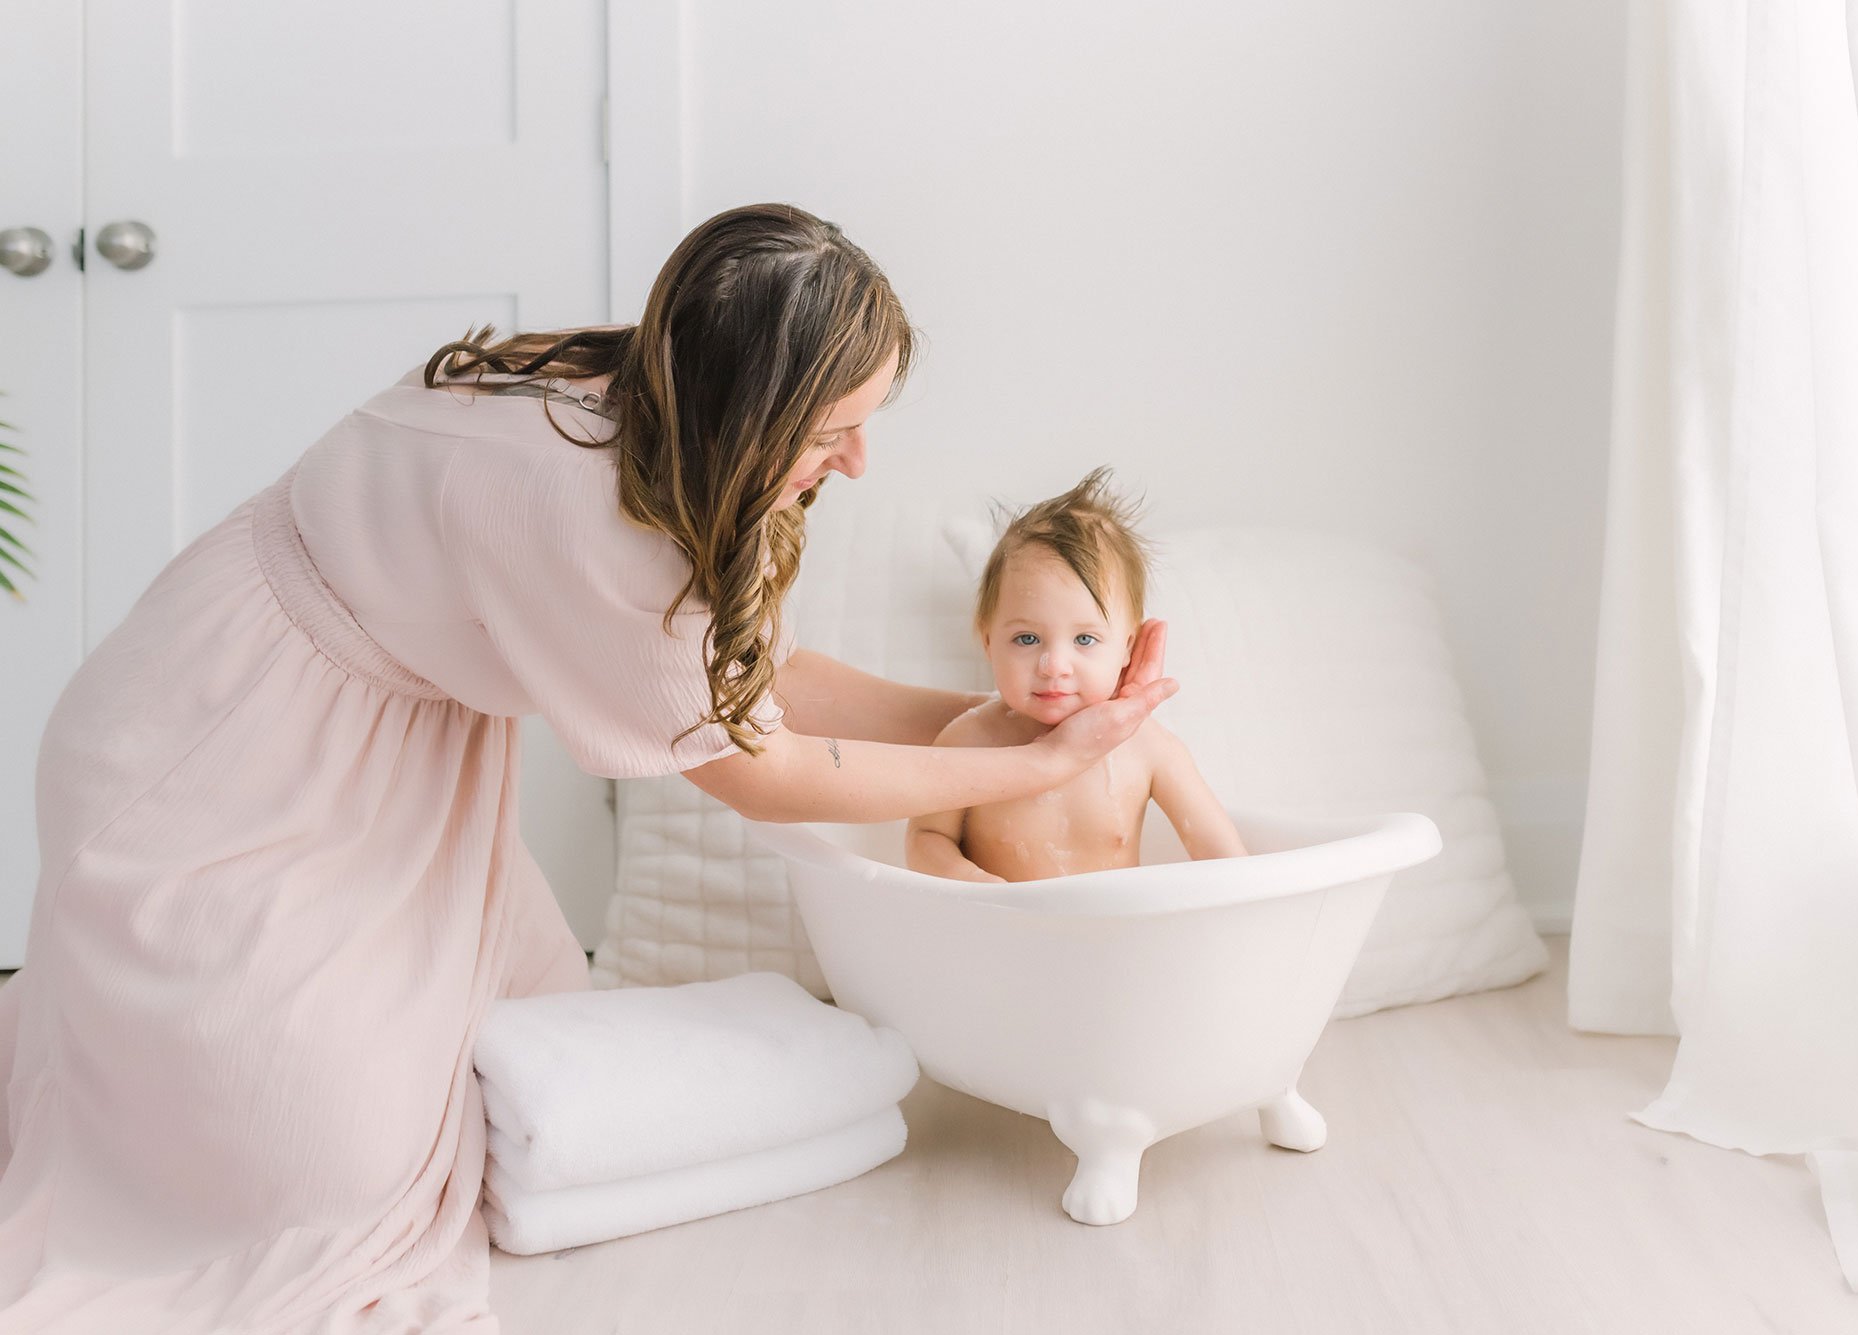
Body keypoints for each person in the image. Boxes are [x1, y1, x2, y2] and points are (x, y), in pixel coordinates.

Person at [0, 204, 1176, 1332]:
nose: (859, 461)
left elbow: (768, 671)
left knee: (535, 1048)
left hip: (384, 737)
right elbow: (758, 767)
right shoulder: (586, 511)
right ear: (751, 406)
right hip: (222, 737)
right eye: (831, 432)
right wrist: (1017, 771)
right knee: (321, 1173)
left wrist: (1001, 726)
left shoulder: (656, 411)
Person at [905, 468, 1242, 883]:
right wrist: (979, 887)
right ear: (988, 640)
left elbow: (1227, 862)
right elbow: (926, 837)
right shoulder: (967, 742)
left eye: (1084, 639)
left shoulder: (1149, 749)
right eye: (1027, 638)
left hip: (1112, 941)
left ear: (1127, 648)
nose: (1053, 666)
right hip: (1000, 936)